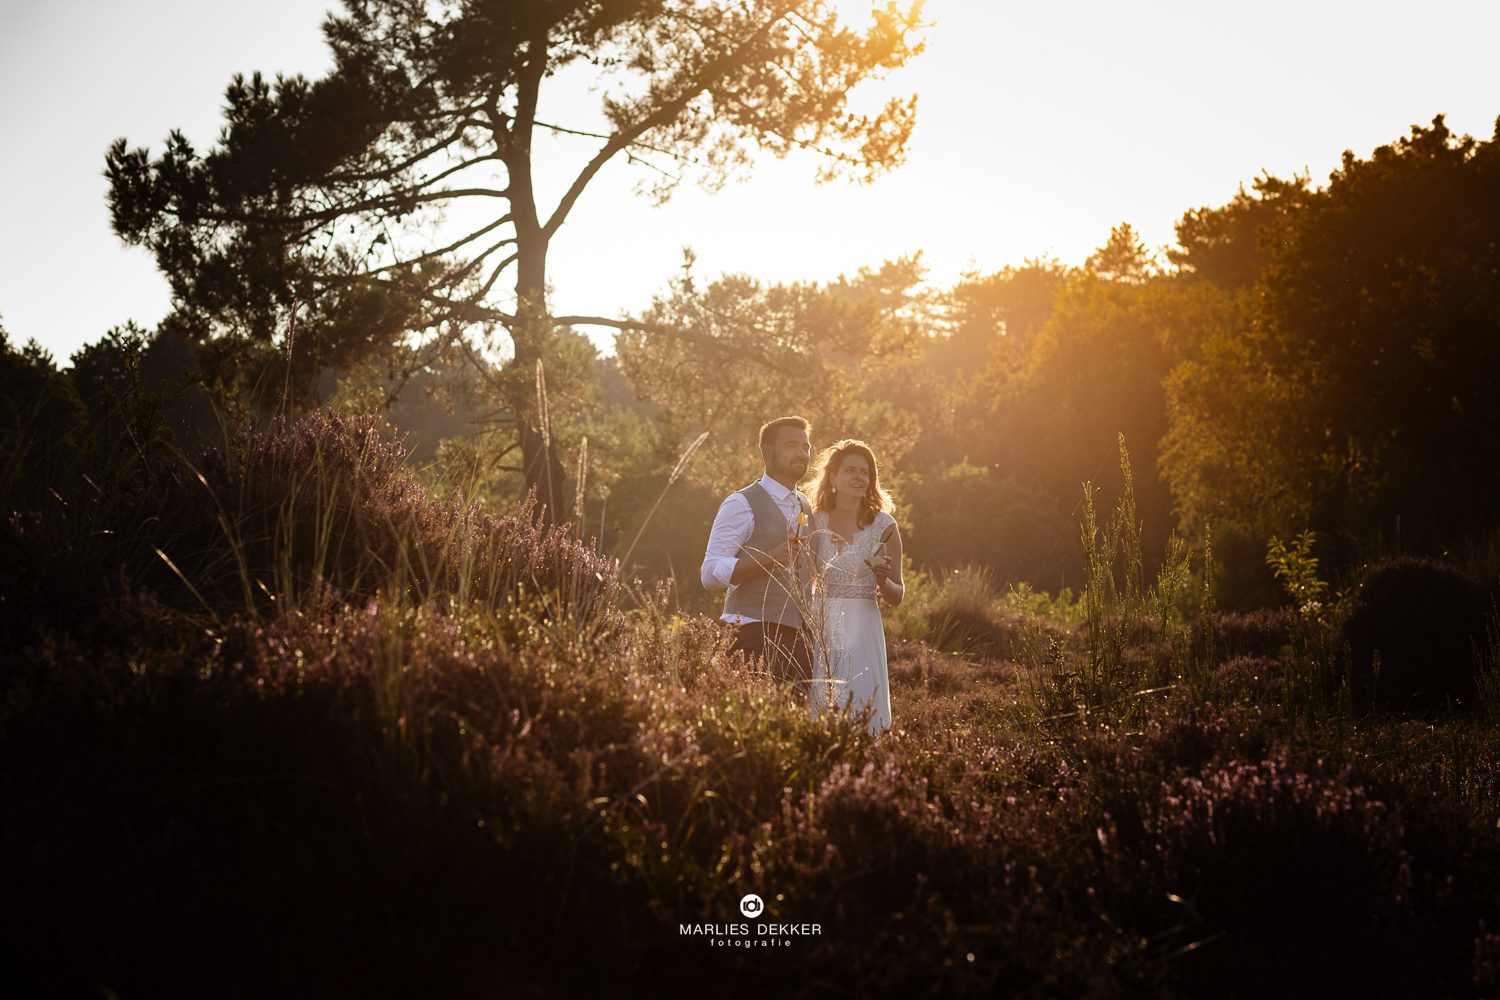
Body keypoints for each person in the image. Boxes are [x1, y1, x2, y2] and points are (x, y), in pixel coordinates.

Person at [700, 416, 815, 697]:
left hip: (801, 641)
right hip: (752, 637)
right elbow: (709, 573)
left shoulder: (805, 505)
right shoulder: (740, 503)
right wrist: (768, 557)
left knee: (794, 731)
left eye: (806, 446)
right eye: (792, 446)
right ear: (767, 451)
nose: (802, 453)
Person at [804, 439, 903, 733]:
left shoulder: (883, 525)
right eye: (851, 470)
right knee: (820, 711)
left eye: (865, 472)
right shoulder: (813, 520)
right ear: (833, 477)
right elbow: (801, 577)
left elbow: (897, 597)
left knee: (861, 706)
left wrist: (882, 579)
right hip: (820, 625)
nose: (859, 478)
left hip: (863, 627)